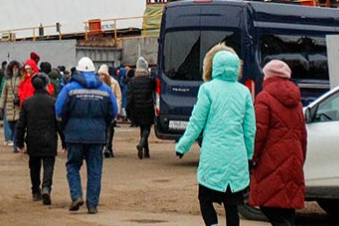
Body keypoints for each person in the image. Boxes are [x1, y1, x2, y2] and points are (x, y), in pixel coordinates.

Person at [175, 44, 255, 226]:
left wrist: (183, 146)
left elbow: (197, 122)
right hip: (236, 157)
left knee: (205, 199)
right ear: (237, 68)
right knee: (232, 206)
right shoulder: (244, 92)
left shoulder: (208, 89)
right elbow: (250, 129)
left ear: (213, 66)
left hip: (213, 157)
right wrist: (249, 154)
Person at [249, 60, 307, 226]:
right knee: (287, 206)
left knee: (268, 205)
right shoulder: (297, 101)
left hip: (270, 158)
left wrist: (252, 156)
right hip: (294, 158)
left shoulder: (264, 98)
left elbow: (259, 132)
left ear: (267, 77)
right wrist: (300, 159)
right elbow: (303, 135)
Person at [55, 57, 115, 214]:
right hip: (97, 136)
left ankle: (76, 195)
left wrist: (66, 126)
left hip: (74, 135)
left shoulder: (69, 89)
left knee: (73, 166)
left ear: (78, 71)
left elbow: (59, 110)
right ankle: (92, 205)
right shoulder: (105, 89)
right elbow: (113, 112)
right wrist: (104, 125)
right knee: (95, 170)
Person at [15, 72, 60, 205]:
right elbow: (59, 123)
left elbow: (21, 124)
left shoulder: (27, 103)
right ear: (46, 85)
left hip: (33, 138)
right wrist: (65, 141)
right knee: (48, 165)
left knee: (34, 166)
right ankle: (46, 187)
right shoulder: (53, 102)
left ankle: (36, 191)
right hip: (49, 138)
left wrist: (20, 142)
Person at [126, 57, 156, 159]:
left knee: (142, 128)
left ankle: (146, 151)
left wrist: (128, 111)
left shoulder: (132, 81)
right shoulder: (150, 80)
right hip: (148, 107)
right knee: (147, 128)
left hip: (136, 108)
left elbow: (129, 97)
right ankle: (142, 143)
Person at [96, 64, 123, 157]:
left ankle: (107, 147)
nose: (101, 77)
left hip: (111, 110)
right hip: (101, 110)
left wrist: (118, 110)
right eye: (99, 75)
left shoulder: (114, 83)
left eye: (103, 75)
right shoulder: (97, 84)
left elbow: (118, 97)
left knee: (110, 129)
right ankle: (106, 147)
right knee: (104, 130)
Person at [0, 61, 23, 147]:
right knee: (10, 123)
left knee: (17, 124)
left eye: (16, 68)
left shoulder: (21, 79)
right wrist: (1, 107)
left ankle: (15, 143)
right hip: (8, 104)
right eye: (13, 68)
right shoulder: (7, 80)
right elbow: (3, 94)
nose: (15, 69)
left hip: (18, 104)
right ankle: (10, 138)